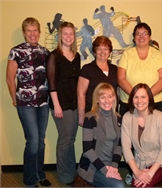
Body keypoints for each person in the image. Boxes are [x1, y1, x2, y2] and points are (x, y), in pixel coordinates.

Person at [117, 22, 162, 184]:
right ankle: (135, 170)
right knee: (132, 140)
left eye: (145, 33)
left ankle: (153, 170)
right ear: (133, 37)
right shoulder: (128, 54)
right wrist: (136, 98)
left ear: (150, 37)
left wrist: (145, 98)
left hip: (155, 103)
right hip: (128, 103)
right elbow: (121, 78)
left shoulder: (156, 54)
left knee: (152, 140)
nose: (141, 36)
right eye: (138, 33)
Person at [6, 17, 51, 187]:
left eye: (35, 30)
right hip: (26, 104)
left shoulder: (45, 52)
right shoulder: (16, 51)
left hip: (43, 103)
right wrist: (14, 100)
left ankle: (40, 174)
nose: (32, 34)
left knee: (40, 140)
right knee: (32, 141)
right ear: (24, 33)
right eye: (29, 31)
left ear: (39, 32)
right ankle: (30, 179)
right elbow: (10, 79)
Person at [46, 22, 81, 186]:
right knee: (65, 140)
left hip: (74, 103)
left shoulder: (77, 55)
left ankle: (71, 171)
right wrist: (57, 105)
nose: (68, 36)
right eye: (65, 34)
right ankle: (64, 176)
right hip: (61, 104)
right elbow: (51, 83)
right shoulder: (54, 56)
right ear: (60, 36)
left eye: (71, 34)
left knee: (71, 139)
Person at [121, 83, 162, 187]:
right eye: (136, 97)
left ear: (149, 98)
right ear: (131, 99)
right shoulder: (127, 117)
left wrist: (150, 173)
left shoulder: (159, 117)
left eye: (143, 97)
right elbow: (126, 148)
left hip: (160, 162)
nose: (139, 101)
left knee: (141, 186)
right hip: (140, 163)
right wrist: (137, 171)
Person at [77, 82, 124, 188]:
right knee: (119, 186)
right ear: (97, 100)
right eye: (103, 97)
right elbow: (87, 149)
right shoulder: (90, 118)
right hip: (93, 166)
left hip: (110, 165)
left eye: (110, 96)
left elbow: (119, 146)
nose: (107, 101)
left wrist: (114, 167)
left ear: (114, 98)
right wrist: (104, 170)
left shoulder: (118, 118)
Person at [77, 36, 118, 126]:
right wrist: (81, 116)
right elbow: (81, 94)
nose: (102, 52)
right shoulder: (87, 69)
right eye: (99, 49)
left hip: (111, 113)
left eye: (105, 49)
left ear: (110, 52)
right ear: (95, 51)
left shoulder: (115, 69)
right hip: (93, 113)